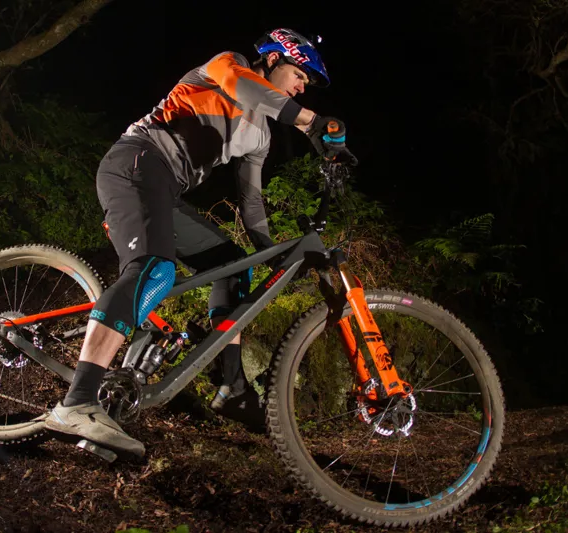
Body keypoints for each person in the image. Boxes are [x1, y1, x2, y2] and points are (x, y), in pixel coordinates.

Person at [44, 28, 356, 457]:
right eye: (300, 76)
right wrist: (310, 121)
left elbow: (250, 201)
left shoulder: (260, 136)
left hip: (166, 191)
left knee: (233, 267)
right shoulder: (228, 66)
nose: (302, 87)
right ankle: (76, 402)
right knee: (155, 270)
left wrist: (269, 252)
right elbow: (247, 88)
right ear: (273, 59)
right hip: (136, 162)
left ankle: (232, 386)